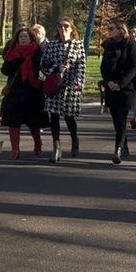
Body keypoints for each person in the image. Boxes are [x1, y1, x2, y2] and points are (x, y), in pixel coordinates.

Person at [39, 17, 86, 163]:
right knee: (54, 116)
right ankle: (56, 147)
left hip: (70, 86)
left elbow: (81, 65)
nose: (63, 29)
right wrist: (56, 68)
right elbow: (43, 63)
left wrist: (78, 83)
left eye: (66, 26)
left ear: (72, 29)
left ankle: (74, 138)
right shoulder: (52, 45)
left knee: (69, 116)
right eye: (60, 27)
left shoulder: (78, 45)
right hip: (55, 85)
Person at [0, 26, 49, 159]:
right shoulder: (12, 52)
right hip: (15, 90)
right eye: (20, 37)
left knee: (33, 122)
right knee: (13, 122)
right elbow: (4, 70)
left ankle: (37, 143)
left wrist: (31, 62)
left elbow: (42, 69)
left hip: (32, 91)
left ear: (30, 38)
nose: (22, 39)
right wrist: (15, 62)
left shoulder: (36, 51)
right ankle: (15, 150)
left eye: (25, 37)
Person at [100, 22, 136, 164]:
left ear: (120, 30)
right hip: (111, 88)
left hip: (125, 88)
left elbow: (133, 67)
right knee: (116, 120)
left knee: (121, 119)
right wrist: (108, 81)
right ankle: (125, 146)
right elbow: (104, 66)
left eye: (112, 28)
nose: (109, 31)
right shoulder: (109, 45)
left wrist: (120, 83)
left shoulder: (130, 45)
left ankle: (117, 149)